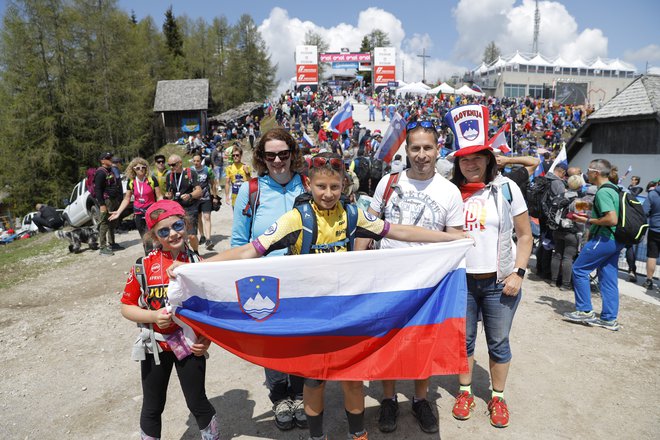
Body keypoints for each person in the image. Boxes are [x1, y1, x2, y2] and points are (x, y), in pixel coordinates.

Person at [169, 152, 468, 440]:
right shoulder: (295, 219)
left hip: (346, 313)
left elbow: (399, 231)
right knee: (314, 381)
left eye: (335, 186)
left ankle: (358, 433)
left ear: (344, 187)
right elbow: (250, 250)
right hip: (310, 315)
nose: (328, 193)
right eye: (321, 186)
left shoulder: (352, 213)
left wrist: (450, 238)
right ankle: (317, 436)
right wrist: (200, 267)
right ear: (309, 185)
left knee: (353, 378)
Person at [355, 119, 465, 434]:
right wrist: (357, 262)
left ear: (437, 150)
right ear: (407, 150)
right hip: (388, 277)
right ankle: (389, 398)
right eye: (415, 148)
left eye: (427, 148)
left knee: (423, 342)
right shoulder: (388, 183)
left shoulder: (450, 192)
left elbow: (456, 237)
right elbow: (369, 224)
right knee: (388, 340)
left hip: (430, 283)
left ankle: (419, 400)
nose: (421, 154)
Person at [446, 105, 533, 429]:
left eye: (477, 157)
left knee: (498, 342)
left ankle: (497, 397)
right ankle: (465, 391)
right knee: (462, 342)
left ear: (488, 158)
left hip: (500, 283)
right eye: (464, 158)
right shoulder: (451, 192)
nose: (471, 163)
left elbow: (525, 236)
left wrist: (518, 273)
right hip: (461, 283)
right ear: (458, 162)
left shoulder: (508, 188)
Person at [120, 200, 218, 440]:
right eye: (164, 231)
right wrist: (153, 317)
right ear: (154, 235)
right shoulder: (143, 267)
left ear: (185, 224)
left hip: (189, 344)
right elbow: (126, 307)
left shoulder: (198, 264)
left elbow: (210, 310)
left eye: (177, 225)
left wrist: (206, 340)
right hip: (155, 346)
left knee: (197, 401)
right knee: (153, 406)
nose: (173, 234)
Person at [231, 127, 307, 431]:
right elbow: (239, 240)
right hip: (264, 278)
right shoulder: (251, 191)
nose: (278, 160)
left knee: (302, 339)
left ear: (292, 154)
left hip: (304, 277)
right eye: (270, 155)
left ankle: (301, 394)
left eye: (283, 154)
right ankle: (280, 397)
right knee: (272, 341)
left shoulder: (307, 184)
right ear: (262, 157)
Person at [563, 159, 623, 331]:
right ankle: (609, 319)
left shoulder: (603, 191)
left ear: (595, 173)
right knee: (608, 278)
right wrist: (586, 216)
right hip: (615, 240)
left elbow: (611, 218)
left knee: (579, 269)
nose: (585, 175)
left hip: (603, 238)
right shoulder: (614, 189)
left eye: (587, 171)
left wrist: (588, 219)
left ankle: (584, 310)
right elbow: (595, 207)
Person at [109, 157, 162, 254]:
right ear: (133, 169)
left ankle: (162, 258)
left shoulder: (152, 179)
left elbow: (159, 196)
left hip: (152, 213)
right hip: (139, 214)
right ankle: (149, 260)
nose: (141, 169)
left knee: (157, 237)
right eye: (137, 168)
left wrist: (162, 208)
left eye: (143, 167)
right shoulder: (131, 181)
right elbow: (127, 198)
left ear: (146, 168)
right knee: (146, 240)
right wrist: (118, 212)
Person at [550, 174, 584, 290]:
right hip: (571, 231)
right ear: (580, 186)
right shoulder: (579, 201)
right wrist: (581, 232)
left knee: (557, 255)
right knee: (568, 258)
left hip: (558, 229)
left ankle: (553, 280)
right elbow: (581, 219)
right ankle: (565, 284)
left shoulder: (560, 196)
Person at [164, 154, 202, 252]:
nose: (171, 167)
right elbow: (170, 193)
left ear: (180, 163)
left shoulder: (190, 173)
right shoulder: (170, 176)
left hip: (190, 207)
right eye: (169, 165)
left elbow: (199, 191)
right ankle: (185, 253)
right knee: (180, 235)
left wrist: (190, 195)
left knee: (192, 236)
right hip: (177, 209)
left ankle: (196, 252)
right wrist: (168, 196)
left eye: (173, 165)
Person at [95, 151, 124, 256]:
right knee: (105, 223)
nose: (111, 159)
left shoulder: (111, 170)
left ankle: (112, 243)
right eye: (108, 158)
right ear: (102, 160)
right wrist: (102, 204)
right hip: (106, 201)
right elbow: (98, 189)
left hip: (114, 199)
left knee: (113, 222)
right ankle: (102, 247)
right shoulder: (100, 172)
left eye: (111, 157)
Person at [192, 154, 217, 250]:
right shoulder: (190, 170)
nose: (196, 163)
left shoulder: (207, 170)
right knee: (198, 218)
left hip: (206, 197)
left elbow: (213, 184)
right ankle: (202, 235)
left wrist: (214, 196)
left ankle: (208, 239)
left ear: (201, 161)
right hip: (195, 199)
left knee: (207, 217)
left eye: (198, 161)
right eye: (194, 161)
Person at [643, 179, 660, 290]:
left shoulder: (652, 194)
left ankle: (649, 281)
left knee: (652, 256)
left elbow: (644, 211)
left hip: (655, 229)